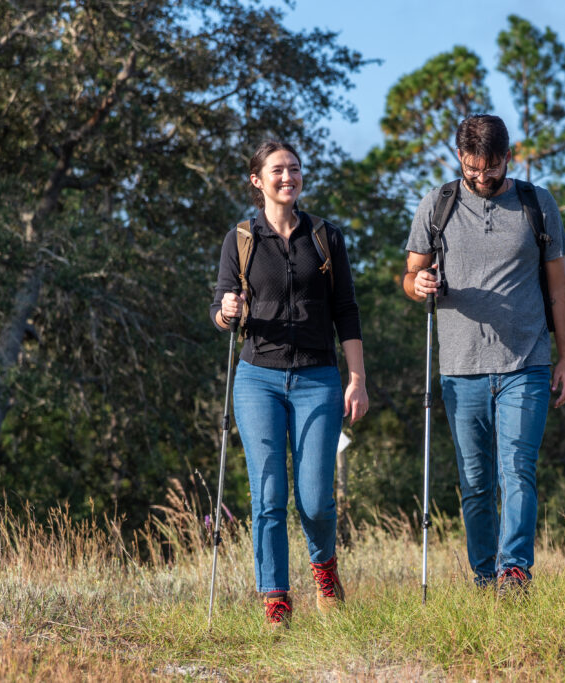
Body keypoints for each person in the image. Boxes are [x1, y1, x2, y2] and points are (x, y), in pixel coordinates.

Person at [402, 114, 565, 594]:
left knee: (517, 468)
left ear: (508, 155)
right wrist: (419, 284)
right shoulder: (437, 206)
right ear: (460, 156)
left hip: (527, 362)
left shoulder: (535, 205)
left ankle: (514, 572)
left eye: (491, 167)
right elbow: (410, 275)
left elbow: (559, 288)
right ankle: (484, 576)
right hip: (460, 369)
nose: (482, 177)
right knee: (475, 482)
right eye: (473, 168)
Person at [210, 140, 368, 627]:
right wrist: (227, 312)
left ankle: (325, 570)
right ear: (257, 180)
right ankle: (275, 599)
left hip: (318, 377)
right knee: (269, 492)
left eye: (295, 170)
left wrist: (357, 378)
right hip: (257, 377)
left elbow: (346, 310)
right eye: (278, 170)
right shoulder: (240, 238)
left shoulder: (325, 237)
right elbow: (220, 307)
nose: (288, 177)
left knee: (315, 494)